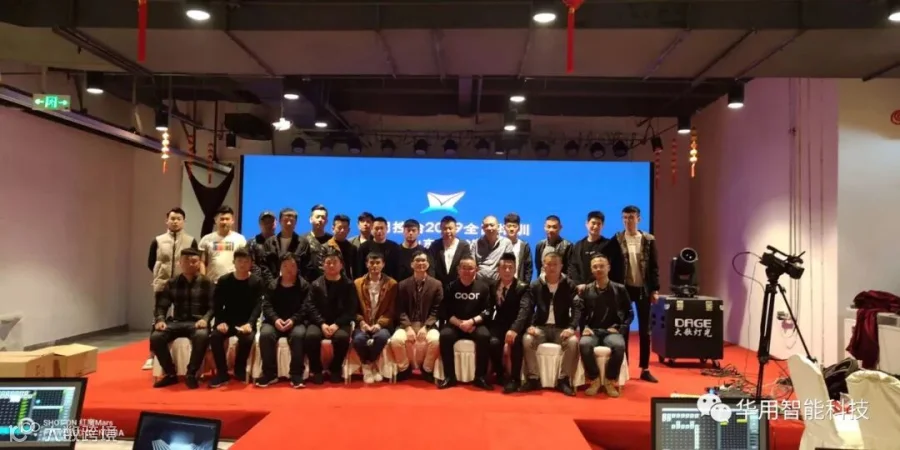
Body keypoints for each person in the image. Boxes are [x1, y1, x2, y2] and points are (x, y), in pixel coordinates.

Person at [149, 248, 213, 389]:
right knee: (156, 337)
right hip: (177, 322)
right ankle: (170, 374)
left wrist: (206, 319)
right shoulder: (172, 283)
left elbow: (213, 307)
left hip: (197, 323)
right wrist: (160, 320)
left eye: (194, 261)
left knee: (202, 336)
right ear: (180, 263)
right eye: (186, 261)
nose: (190, 264)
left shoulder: (207, 282)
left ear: (199, 263)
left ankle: (191, 373)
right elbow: (161, 305)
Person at [520, 251, 581, 396]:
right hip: (540, 327)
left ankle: (563, 380)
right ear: (543, 266)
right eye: (549, 264)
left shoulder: (569, 285)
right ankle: (533, 378)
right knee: (527, 339)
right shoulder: (536, 285)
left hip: (562, 328)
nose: (552, 268)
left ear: (561, 266)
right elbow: (527, 307)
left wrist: (571, 327)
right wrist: (529, 325)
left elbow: (577, 308)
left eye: (555, 264)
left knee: (573, 342)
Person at [145, 207, 198, 370]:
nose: (175, 222)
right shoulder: (158, 240)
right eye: (172, 218)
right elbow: (151, 262)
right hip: (162, 284)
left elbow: (194, 261)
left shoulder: (191, 240)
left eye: (178, 219)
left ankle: (183, 354)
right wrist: (161, 275)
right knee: (158, 318)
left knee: (183, 318)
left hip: (184, 285)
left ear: (184, 221)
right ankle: (152, 355)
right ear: (166, 220)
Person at [615, 205, 661, 383]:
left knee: (645, 330)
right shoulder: (617, 239)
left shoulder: (648, 239)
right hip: (625, 289)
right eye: (625, 217)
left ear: (639, 219)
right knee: (624, 329)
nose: (628, 221)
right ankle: (624, 367)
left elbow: (654, 267)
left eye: (631, 217)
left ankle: (645, 368)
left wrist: (655, 289)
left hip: (643, 289)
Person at [578, 255, 632, 397]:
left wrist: (620, 328)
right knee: (584, 344)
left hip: (611, 331)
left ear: (608, 268)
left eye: (602, 266)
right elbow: (580, 313)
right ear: (591, 270)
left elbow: (629, 313)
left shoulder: (620, 289)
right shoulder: (586, 290)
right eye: (595, 267)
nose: (598, 269)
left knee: (619, 346)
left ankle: (610, 380)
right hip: (592, 331)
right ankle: (594, 379)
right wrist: (584, 327)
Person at [208, 249, 263, 388]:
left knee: (247, 338)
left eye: (246, 261)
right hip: (227, 320)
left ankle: (239, 368)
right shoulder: (224, 280)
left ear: (251, 263)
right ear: (234, 262)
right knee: (215, 337)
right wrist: (220, 322)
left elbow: (258, 306)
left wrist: (250, 323)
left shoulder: (256, 281)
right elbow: (217, 304)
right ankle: (222, 372)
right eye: (239, 261)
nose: (242, 264)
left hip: (246, 321)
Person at [437, 255, 494, 390]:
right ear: (458, 270)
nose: (467, 271)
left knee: (484, 336)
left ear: (476, 269)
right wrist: (460, 324)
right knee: (445, 336)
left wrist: (471, 322)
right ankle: (450, 377)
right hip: (456, 324)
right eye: (464, 268)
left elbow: (488, 311)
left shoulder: (484, 287)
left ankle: (480, 377)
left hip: (475, 325)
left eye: (470, 268)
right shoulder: (451, 287)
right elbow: (445, 311)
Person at [255, 253, 310, 388]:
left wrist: (293, 320)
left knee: (298, 335)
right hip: (274, 322)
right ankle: (269, 374)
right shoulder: (272, 285)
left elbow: (306, 307)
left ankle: (296, 374)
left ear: (297, 267)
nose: (289, 269)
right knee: (266, 334)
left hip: (296, 322)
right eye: (285, 266)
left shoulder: (304, 286)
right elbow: (266, 306)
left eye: (292, 266)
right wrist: (275, 320)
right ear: (280, 267)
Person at [305, 248, 357, 384]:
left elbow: (351, 310)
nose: (331, 265)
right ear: (323, 265)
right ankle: (316, 370)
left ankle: (335, 369)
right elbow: (310, 306)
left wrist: (336, 324)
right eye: (328, 262)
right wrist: (322, 323)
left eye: (335, 262)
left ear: (341, 265)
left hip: (340, 323)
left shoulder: (349, 285)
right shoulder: (316, 284)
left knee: (342, 338)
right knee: (311, 336)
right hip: (319, 322)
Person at [390, 250, 442, 382]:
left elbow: (436, 310)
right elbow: (400, 309)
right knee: (396, 340)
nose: (420, 263)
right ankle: (404, 368)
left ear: (428, 264)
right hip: (407, 324)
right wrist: (407, 327)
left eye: (423, 260)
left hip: (427, 325)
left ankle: (427, 369)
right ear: (411, 264)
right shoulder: (402, 285)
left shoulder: (436, 284)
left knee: (436, 340)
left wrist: (426, 327)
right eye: (417, 260)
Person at [488, 253, 532, 394]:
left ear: (515, 269)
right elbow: (490, 308)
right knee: (492, 342)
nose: (507, 271)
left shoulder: (523, 287)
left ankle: (515, 379)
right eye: (504, 267)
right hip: (500, 323)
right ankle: (500, 374)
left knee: (516, 343)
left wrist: (514, 329)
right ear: (498, 269)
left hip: (517, 324)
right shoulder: (493, 286)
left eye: (510, 267)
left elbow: (524, 311)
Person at [352, 252, 398, 383]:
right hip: (363, 324)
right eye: (371, 263)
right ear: (366, 264)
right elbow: (353, 308)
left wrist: (379, 324)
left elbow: (392, 310)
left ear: (383, 265)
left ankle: (371, 363)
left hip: (382, 325)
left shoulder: (392, 284)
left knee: (381, 337)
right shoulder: (357, 283)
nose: (374, 266)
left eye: (378, 263)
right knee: (359, 339)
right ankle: (368, 366)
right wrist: (362, 323)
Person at [568, 211, 626, 286]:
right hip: (581, 289)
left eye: (599, 224)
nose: (595, 226)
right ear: (587, 224)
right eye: (593, 223)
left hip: (603, 288)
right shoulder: (578, 246)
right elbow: (573, 267)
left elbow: (616, 268)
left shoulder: (609, 245)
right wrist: (579, 284)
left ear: (602, 226)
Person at [259, 208, 308, 287]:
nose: (288, 223)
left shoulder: (303, 243)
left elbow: (307, 267)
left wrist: (300, 284)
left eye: (292, 221)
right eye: (285, 220)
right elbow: (264, 266)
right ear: (279, 221)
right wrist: (272, 284)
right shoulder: (269, 242)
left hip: (297, 287)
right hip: (273, 287)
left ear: (296, 222)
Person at [198, 205, 247, 284]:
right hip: (212, 283)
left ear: (232, 220)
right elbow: (202, 262)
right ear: (215, 220)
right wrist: (203, 281)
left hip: (234, 282)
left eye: (227, 219)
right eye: (222, 219)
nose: (224, 222)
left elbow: (244, 261)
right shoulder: (206, 239)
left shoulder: (240, 239)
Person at [428, 215, 472, 287]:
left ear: (456, 229)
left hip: (459, 285)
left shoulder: (464, 246)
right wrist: (433, 283)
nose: (448, 231)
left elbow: (466, 267)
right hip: (438, 285)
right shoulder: (435, 245)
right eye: (445, 229)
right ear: (441, 230)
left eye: (450, 228)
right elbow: (431, 267)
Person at [473, 215, 514, 281]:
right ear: (482, 228)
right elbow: (472, 265)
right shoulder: (475, 244)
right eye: (486, 226)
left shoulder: (506, 243)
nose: (489, 228)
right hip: (479, 281)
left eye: (492, 225)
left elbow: (508, 264)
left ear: (498, 226)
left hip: (498, 281)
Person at [304, 204, 334, 282]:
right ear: (311, 219)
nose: (320, 220)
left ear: (326, 221)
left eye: (323, 217)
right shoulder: (303, 240)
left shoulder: (332, 240)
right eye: (317, 217)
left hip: (328, 282)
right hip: (307, 283)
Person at [326, 214, 358, 280]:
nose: (342, 230)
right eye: (339, 227)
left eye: (345, 228)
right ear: (333, 228)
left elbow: (356, 270)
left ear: (348, 230)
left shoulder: (353, 248)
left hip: (349, 284)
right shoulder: (325, 247)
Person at [504, 212, 533, 282]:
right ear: (504, 228)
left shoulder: (524, 245)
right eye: (509, 226)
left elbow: (528, 268)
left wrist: (525, 285)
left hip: (519, 284)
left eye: (514, 226)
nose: (511, 229)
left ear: (519, 228)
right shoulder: (499, 244)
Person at [249, 211, 276, 279]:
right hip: (257, 281)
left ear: (276, 223)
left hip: (276, 281)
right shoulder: (252, 242)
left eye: (271, 222)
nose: (268, 225)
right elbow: (249, 264)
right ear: (260, 224)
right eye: (265, 222)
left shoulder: (279, 242)